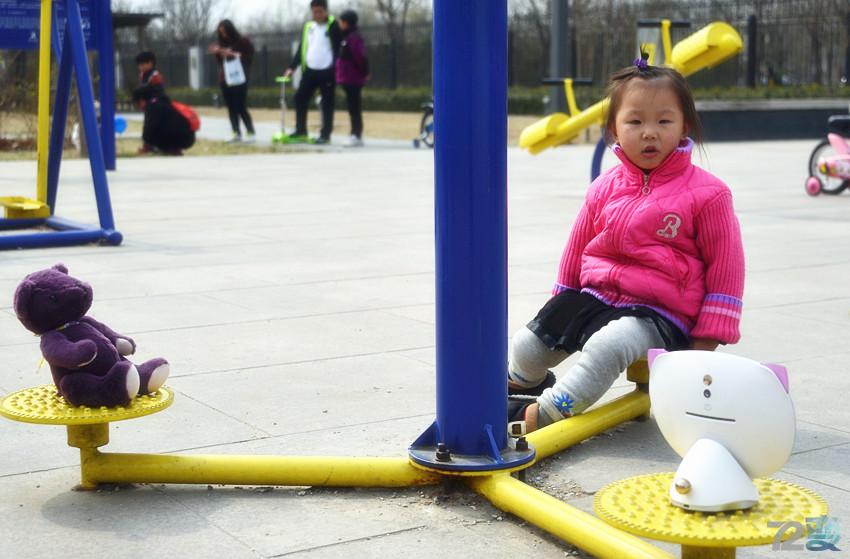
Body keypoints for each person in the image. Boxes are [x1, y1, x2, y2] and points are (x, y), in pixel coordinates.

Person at [507, 53, 745, 433]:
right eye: (635, 121)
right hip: (598, 297)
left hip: (660, 313)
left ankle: (548, 413)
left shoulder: (709, 194)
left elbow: (726, 271)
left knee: (608, 346)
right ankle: (521, 385)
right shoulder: (603, 188)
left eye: (664, 121)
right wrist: (561, 301)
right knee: (526, 342)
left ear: (685, 125)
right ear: (614, 130)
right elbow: (577, 248)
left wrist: (706, 341)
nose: (649, 132)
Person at [281, 0, 342, 144]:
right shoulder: (309, 27)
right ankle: (301, 130)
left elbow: (339, 48)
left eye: (320, 11)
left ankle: (325, 135)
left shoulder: (333, 26)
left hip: (327, 71)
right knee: (300, 97)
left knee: (327, 103)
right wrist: (292, 67)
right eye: (314, 12)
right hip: (310, 70)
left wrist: (337, 69)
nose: (317, 15)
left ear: (326, 11)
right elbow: (302, 48)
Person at [132, 51, 195, 155]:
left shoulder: (155, 76)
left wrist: (140, 93)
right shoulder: (143, 75)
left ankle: (150, 146)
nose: (140, 67)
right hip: (151, 105)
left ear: (150, 63)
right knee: (152, 126)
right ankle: (154, 145)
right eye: (139, 65)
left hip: (158, 105)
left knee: (151, 126)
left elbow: (153, 89)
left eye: (143, 64)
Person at [209, 19, 256, 143]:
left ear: (230, 30)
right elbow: (220, 62)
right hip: (226, 78)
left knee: (240, 106)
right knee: (230, 107)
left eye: (225, 32)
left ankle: (250, 131)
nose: (223, 35)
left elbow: (250, 55)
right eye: (221, 33)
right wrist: (219, 53)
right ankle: (236, 132)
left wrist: (234, 54)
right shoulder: (221, 44)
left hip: (240, 78)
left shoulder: (242, 41)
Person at [336, 9, 369, 147]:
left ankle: (356, 134)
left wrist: (364, 72)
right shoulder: (346, 37)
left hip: (353, 78)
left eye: (341, 22)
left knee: (354, 107)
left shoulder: (353, 37)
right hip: (347, 78)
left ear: (346, 23)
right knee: (351, 107)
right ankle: (354, 133)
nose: (339, 24)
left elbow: (360, 57)